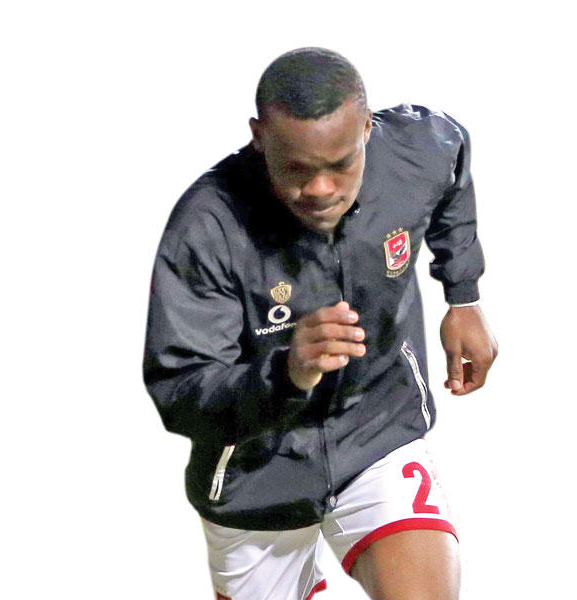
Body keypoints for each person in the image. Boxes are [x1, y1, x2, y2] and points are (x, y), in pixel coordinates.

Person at [143, 47, 498, 600]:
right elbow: (181, 392)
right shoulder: (208, 226)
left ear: (367, 128)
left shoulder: (413, 149)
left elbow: (453, 157)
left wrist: (464, 294)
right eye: (297, 168)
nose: (321, 189)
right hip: (256, 476)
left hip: (377, 426)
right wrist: (286, 375)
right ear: (260, 137)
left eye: (341, 165)